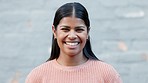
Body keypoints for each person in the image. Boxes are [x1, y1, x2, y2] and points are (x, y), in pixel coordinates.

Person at [26, 2, 122, 83]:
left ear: (87, 32)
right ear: (54, 31)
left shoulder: (107, 75)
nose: (72, 36)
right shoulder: (37, 77)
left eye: (79, 29)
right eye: (65, 29)